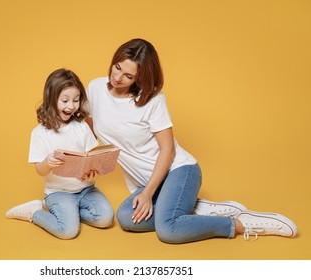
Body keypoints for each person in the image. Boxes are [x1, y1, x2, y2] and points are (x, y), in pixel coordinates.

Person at [85, 38, 297, 243]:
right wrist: (85, 162)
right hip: (148, 182)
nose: (118, 77)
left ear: (140, 79)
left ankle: (241, 224)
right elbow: (90, 130)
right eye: (118, 67)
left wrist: (148, 194)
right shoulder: (95, 88)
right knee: (126, 218)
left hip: (179, 170)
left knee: (168, 230)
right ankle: (197, 208)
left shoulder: (152, 101)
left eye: (129, 76)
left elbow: (168, 150)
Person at [5, 68, 114, 239]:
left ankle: (70, 213)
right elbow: (40, 171)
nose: (71, 106)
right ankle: (34, 212)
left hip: (86, 189)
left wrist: (92, 172)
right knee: (68, 231)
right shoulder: (40, 133)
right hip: (58, 192)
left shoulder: (82, 127)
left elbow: (90, 158)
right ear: (51, 98)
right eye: (65, 100)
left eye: (76, 100)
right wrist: (47, 163)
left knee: (106, 219)